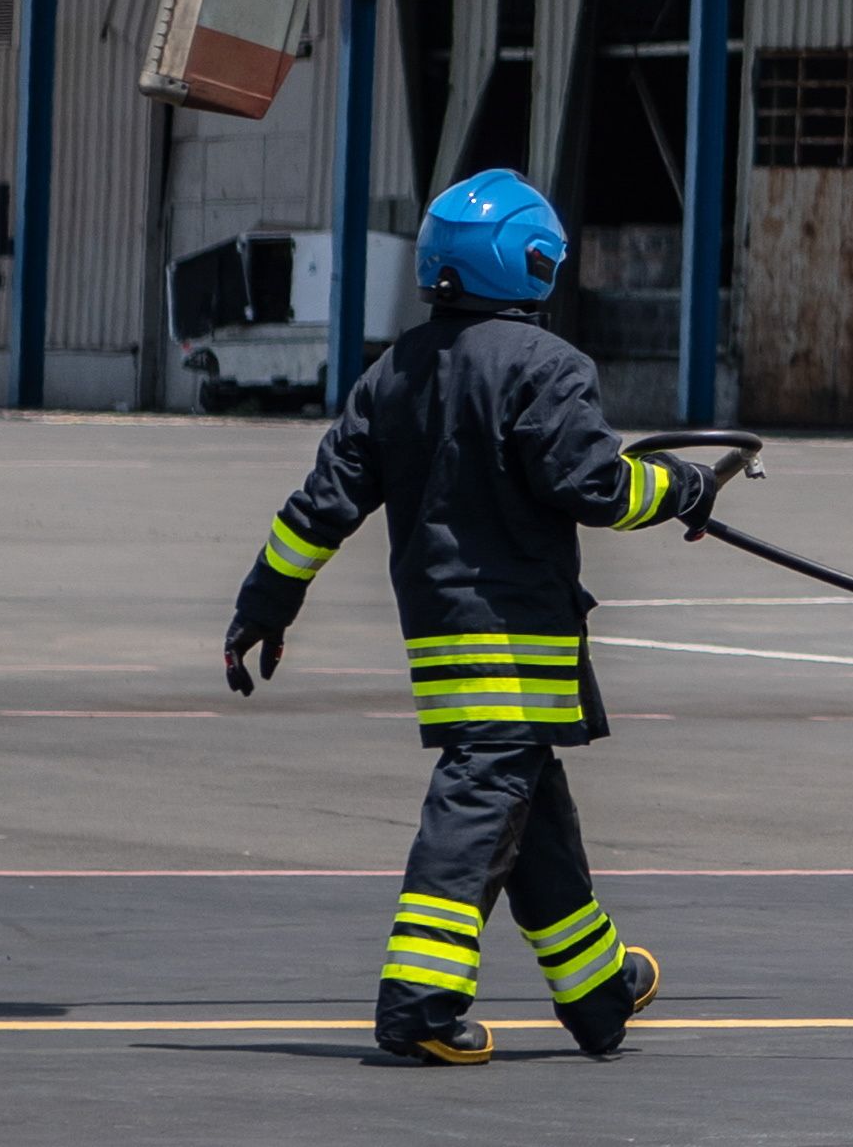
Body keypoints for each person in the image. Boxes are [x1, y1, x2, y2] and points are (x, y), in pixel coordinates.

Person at [220, 168, 709, 1065]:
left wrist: (264, 602)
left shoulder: (393, 372)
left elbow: (321, 504)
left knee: (533, 818)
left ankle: (599, 993)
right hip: (516, 644)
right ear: (531, 266)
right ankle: (420, 1004)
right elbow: (596, 487)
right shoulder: (547, 367)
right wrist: (681, 486)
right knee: (480, 804)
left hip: (441, 637)